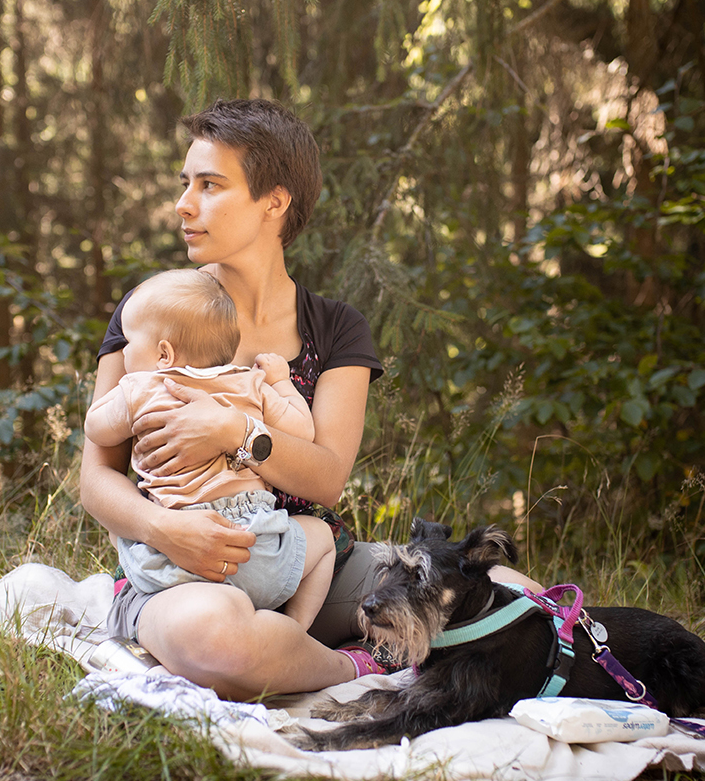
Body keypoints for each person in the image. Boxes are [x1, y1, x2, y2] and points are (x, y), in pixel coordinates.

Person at [80, 98, 540, 701]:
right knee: (219, 639)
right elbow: (95, 478)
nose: (184, 204)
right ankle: (353, 669)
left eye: (210, 185)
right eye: (185, 183)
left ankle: (306, 651)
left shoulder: (336, 328)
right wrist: (164, 527)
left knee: (518, 597)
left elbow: (326, 480)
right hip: (178, 570)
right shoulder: (153, 311)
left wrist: (236, 433)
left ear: (275, 201)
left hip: (304, 566)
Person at [83, 268, 336, 630]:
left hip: (174, 556)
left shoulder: (141, 388)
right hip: (257, 549)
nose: (124, 352)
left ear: (164, 354)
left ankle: (133, 595)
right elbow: (303, 429)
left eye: (130, 343)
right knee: (322, 537)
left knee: (119, 528)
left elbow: (97, 428)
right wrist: (281, 381)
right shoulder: (250, 383)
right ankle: (294, 627)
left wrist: (126, 396)